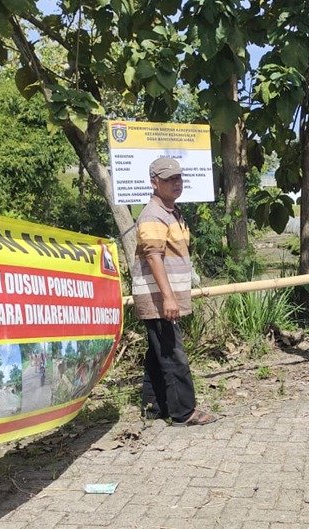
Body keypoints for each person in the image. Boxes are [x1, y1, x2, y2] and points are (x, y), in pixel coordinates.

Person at [132, 157, 217, 426]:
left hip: (165, 296)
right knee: (172, 353)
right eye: (169, 179)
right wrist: (168, 297)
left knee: (160, 352)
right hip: (158, 297)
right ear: (154, 182)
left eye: (178, 178)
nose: (176, 183)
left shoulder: (171, 212)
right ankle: (183, 412)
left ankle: (154, 406)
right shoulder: (153, 215)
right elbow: (154, 257)